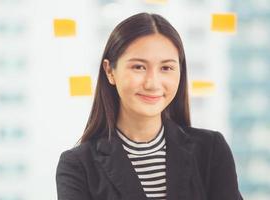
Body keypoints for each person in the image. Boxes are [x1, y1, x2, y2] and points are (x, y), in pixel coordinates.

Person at [56, 12, 243, 200]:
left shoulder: (211, 151)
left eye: (166, 68)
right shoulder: (77, 165)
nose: (152, 83)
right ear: (110, 71)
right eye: (139, 67)